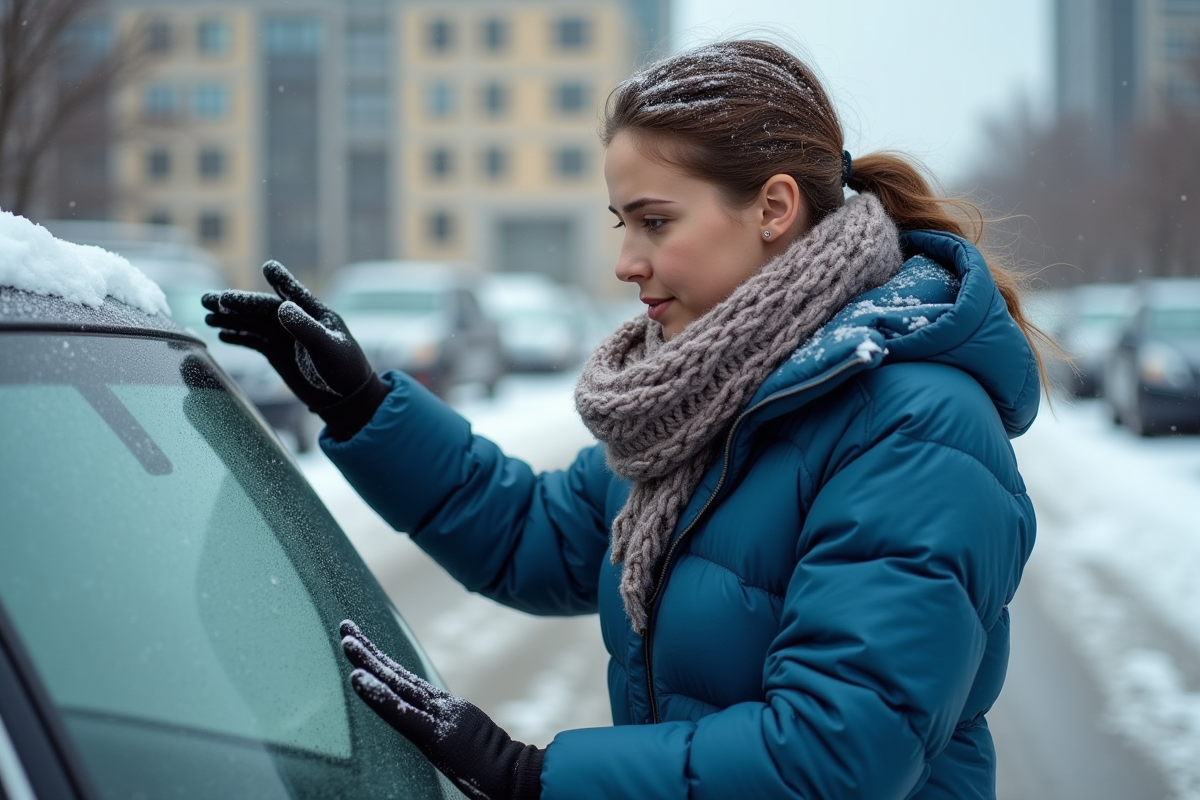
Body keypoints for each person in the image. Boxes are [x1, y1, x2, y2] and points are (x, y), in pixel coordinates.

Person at [203, 39, 1043, 800]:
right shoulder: (707, 392)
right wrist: (364, 406)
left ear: (774, 208)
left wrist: (537, 778)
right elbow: (538, 536)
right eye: (623, 223)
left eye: (655, 221)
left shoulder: (916, 427)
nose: (625, 261)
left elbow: (837, 756)